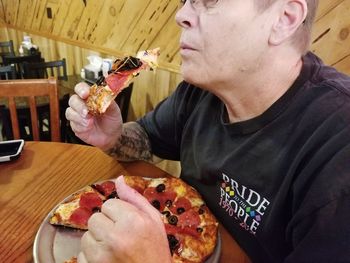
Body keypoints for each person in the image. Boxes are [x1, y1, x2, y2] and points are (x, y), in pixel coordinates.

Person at [66, 0, 350, 262]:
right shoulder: (201, 89)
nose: (181, 16)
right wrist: (113, 137)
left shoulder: (338, 143)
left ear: (284, 19)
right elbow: (145, 140)